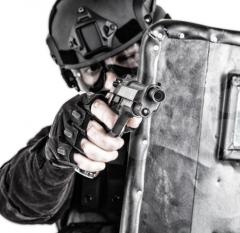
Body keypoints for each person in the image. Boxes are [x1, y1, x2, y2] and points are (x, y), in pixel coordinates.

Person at [0, 0, 168, 232]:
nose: (111, 81)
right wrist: (54, 160)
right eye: (93, 70)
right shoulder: (72, 132)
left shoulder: (209, 117)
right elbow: (14, 202)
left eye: (126, 57)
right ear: (73, 78)